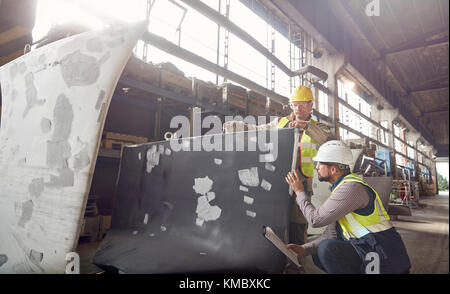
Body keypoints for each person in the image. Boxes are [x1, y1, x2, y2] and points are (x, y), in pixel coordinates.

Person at [223, 85, 333, 271]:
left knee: (298, 224)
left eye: (301, 105)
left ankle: (297, 264)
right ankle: (276, 261)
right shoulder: (281, 123)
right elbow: (259, 129)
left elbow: (326, 139)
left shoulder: (318, 127)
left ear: (310, 105)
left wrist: (305, 126)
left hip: (301, 183)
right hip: (277, 182)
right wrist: (237, 126)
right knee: (276, 221)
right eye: (294, 105)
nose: (297, 109)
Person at [285, 140, 411, 274]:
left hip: (384, 255)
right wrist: (304, 249)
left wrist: (299, 192)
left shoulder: (351, 188)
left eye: (320, 163)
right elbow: (331, 234)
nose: (317, 167)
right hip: (368, 249)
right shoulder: (341, 188)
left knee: (326, 249)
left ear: (333, 169)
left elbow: (315, 220)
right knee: (318, 251)